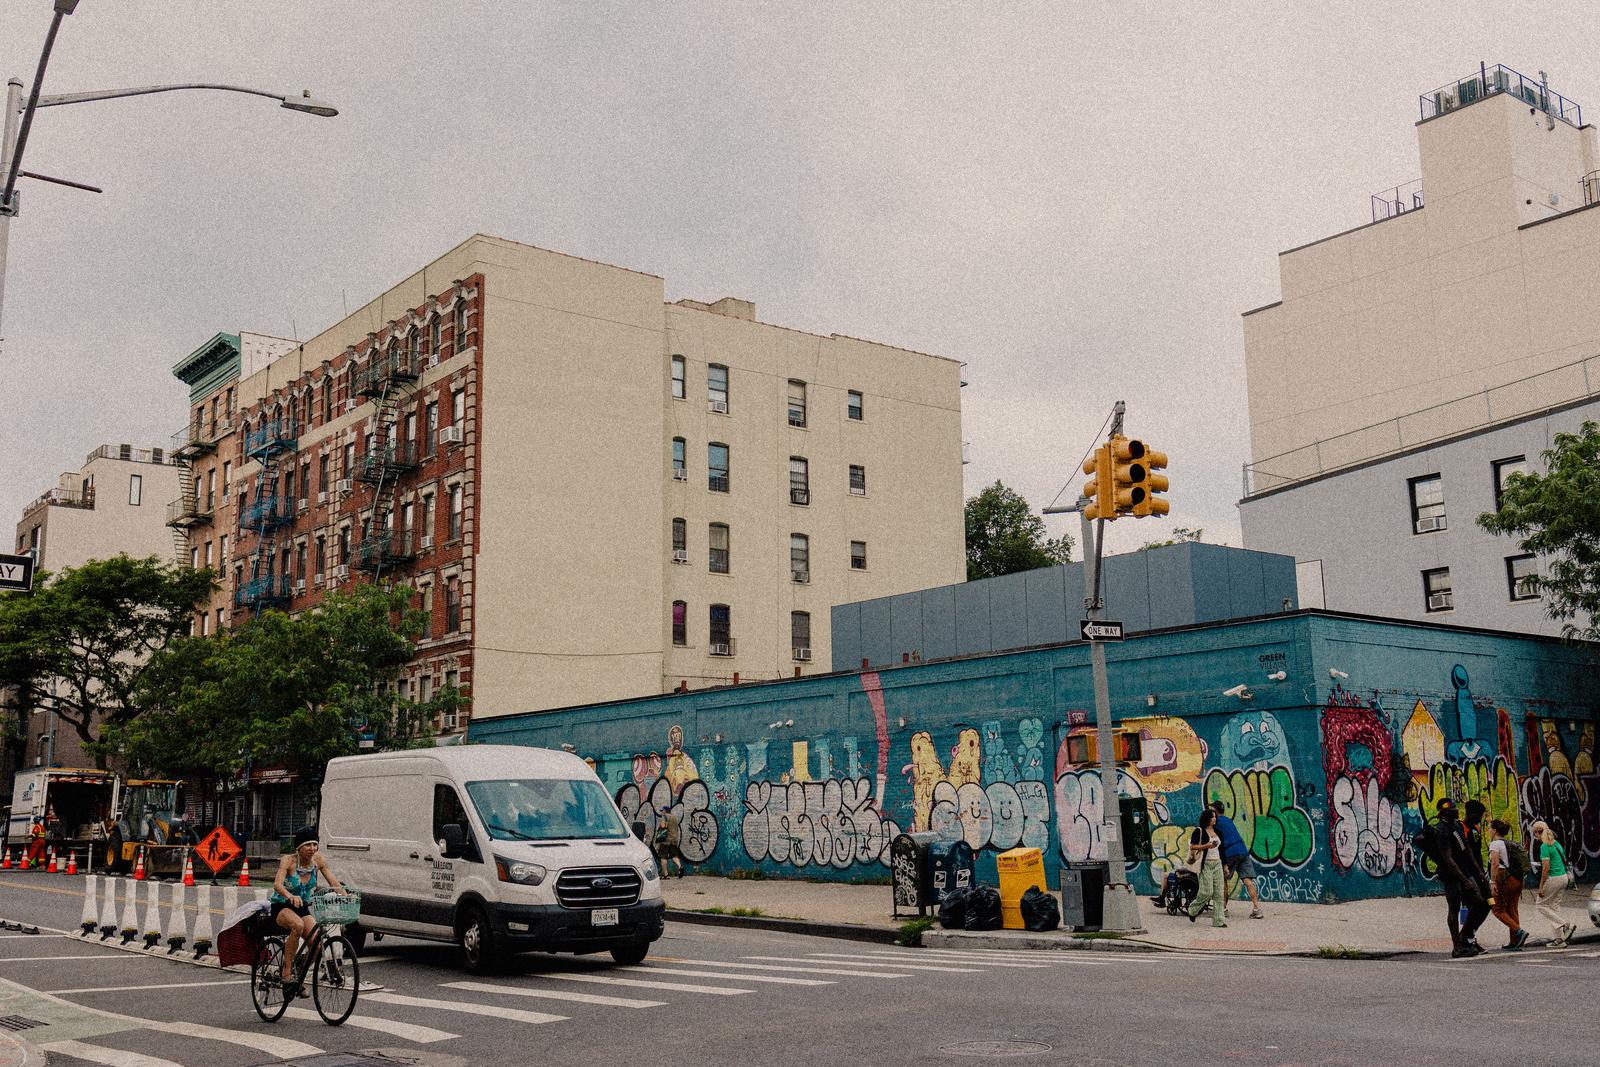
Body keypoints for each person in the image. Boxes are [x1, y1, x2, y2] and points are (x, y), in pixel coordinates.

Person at [269, 827, 346, 987]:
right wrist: (290, 895)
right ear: (298, 847)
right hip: (282, 905)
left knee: (316, 944)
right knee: (297, 925)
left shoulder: (318, 861)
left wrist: (345, 894)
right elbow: (277, 884)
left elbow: (333, 881)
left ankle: (298, 974)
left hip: (302, 907)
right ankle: (287, 971)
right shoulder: (288, 861)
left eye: (314, 844)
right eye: (307, 845)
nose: (312, 849)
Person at [1426, 799, 1491, 957]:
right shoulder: (1442, 830)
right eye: (1454, 807)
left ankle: (1465, 936)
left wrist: (1479, 873)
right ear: (1446, 811)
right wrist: (1464, 880)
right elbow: (1448, 859)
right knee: (1454, 908)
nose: (1457, 809)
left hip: (1465, 873)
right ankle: (1457, 947)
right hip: (1451, 876)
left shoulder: (1457, 826)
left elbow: (1467, 850)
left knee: (1482, 903)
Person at [1211, 800, 1264, 919]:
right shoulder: (1229, 820)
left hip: (1230, 852)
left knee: (1223, 880)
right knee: (1247, 881)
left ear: (1215, 810)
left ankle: (1223, 909)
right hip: (1242, 850)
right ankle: (1257, 909)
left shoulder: (1216, 822)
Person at [1486, 819, 1528, 950]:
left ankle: (1519, 931)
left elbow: (1495, 863)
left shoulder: (1495, 844)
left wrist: (1492, 881)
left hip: (1503, 878)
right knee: (1512, 909)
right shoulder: (1511, 843)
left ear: (1495, 830)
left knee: (1496, 909)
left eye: (1489, 828)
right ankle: (1514, 942)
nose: (1488, 830)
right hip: (1517, 880)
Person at [1533, 826, 1576, 946]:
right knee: (1552, 908)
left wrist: (1541, 886)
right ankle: (1559, 940)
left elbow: (1546, 868)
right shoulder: (1556, 844)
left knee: (1540, 905)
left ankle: (1566, 925)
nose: (1534, 836)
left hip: (1553, 879)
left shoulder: (1544, 846)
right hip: (1564, 878)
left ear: (1538, 832)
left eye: (1534, 833)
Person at [1185, 809, 1226, 928]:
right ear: (1207, 818)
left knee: (1219, 893)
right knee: (1206, 891)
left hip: (1217, 863)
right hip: (1205, 864)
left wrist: (1225, 865)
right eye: (1212, 817)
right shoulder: (1199, 831)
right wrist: (1206, 846)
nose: (1215, 819)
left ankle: (1219, 921)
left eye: (1215, 817)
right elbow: (1193, 846)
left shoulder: (1218, 832)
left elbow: (1222, 850)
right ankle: (1192, 910)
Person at [654, 805, 683, 878]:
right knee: (674, 856)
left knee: (663, 857)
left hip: (666, 840)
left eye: (662, 810)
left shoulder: (664, 817)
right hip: (674, 839)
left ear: (665, 810)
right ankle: (680, 866)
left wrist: (660, 826)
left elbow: (663, 826)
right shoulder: (674, 818)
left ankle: (666, 875)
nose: (661, 812)